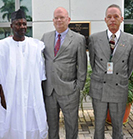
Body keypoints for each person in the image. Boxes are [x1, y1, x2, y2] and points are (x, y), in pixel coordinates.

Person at [0, 9, 48, 139]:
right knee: (11, 122)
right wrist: (2, 95)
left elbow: (41, 74)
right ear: (12, 26)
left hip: (31, 93)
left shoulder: (36, 46)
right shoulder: (2, 46)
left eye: (24, 24)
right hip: (11, 94)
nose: (22, 27)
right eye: (18, 24)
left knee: (31, 121)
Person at [88, 4, 133, 139]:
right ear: (105, 19)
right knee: (98, 127)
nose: (112, 20)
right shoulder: (94, 39)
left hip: (119, 88)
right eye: (109, 17)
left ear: (121, 19)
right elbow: (93, 63)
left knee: (118, 127)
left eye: (116, 16)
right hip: (99, 88)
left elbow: (130, 66)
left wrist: (119, 78)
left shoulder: (132, 40)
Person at [41, 7, 87, 139]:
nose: (59, 20)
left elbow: (82, 66)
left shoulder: (78, 39)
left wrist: (78, 87)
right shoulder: (46, 37)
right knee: (51, 126)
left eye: (62, 17)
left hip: (69, 90)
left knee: (71, 125)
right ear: (53, 20)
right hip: (49, 90)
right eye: (56, 18)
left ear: (68, 20)